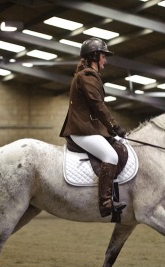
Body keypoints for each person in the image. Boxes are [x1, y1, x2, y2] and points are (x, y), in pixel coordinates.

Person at [60, 37, 127, 219]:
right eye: (103, 56)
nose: (105, 60)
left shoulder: (87, 75)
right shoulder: (87, 76)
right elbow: (98, 106)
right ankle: (105, 202)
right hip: (82, 130)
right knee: (111, 156)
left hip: (89, 129)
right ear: (95, 56)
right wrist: (115, 126)